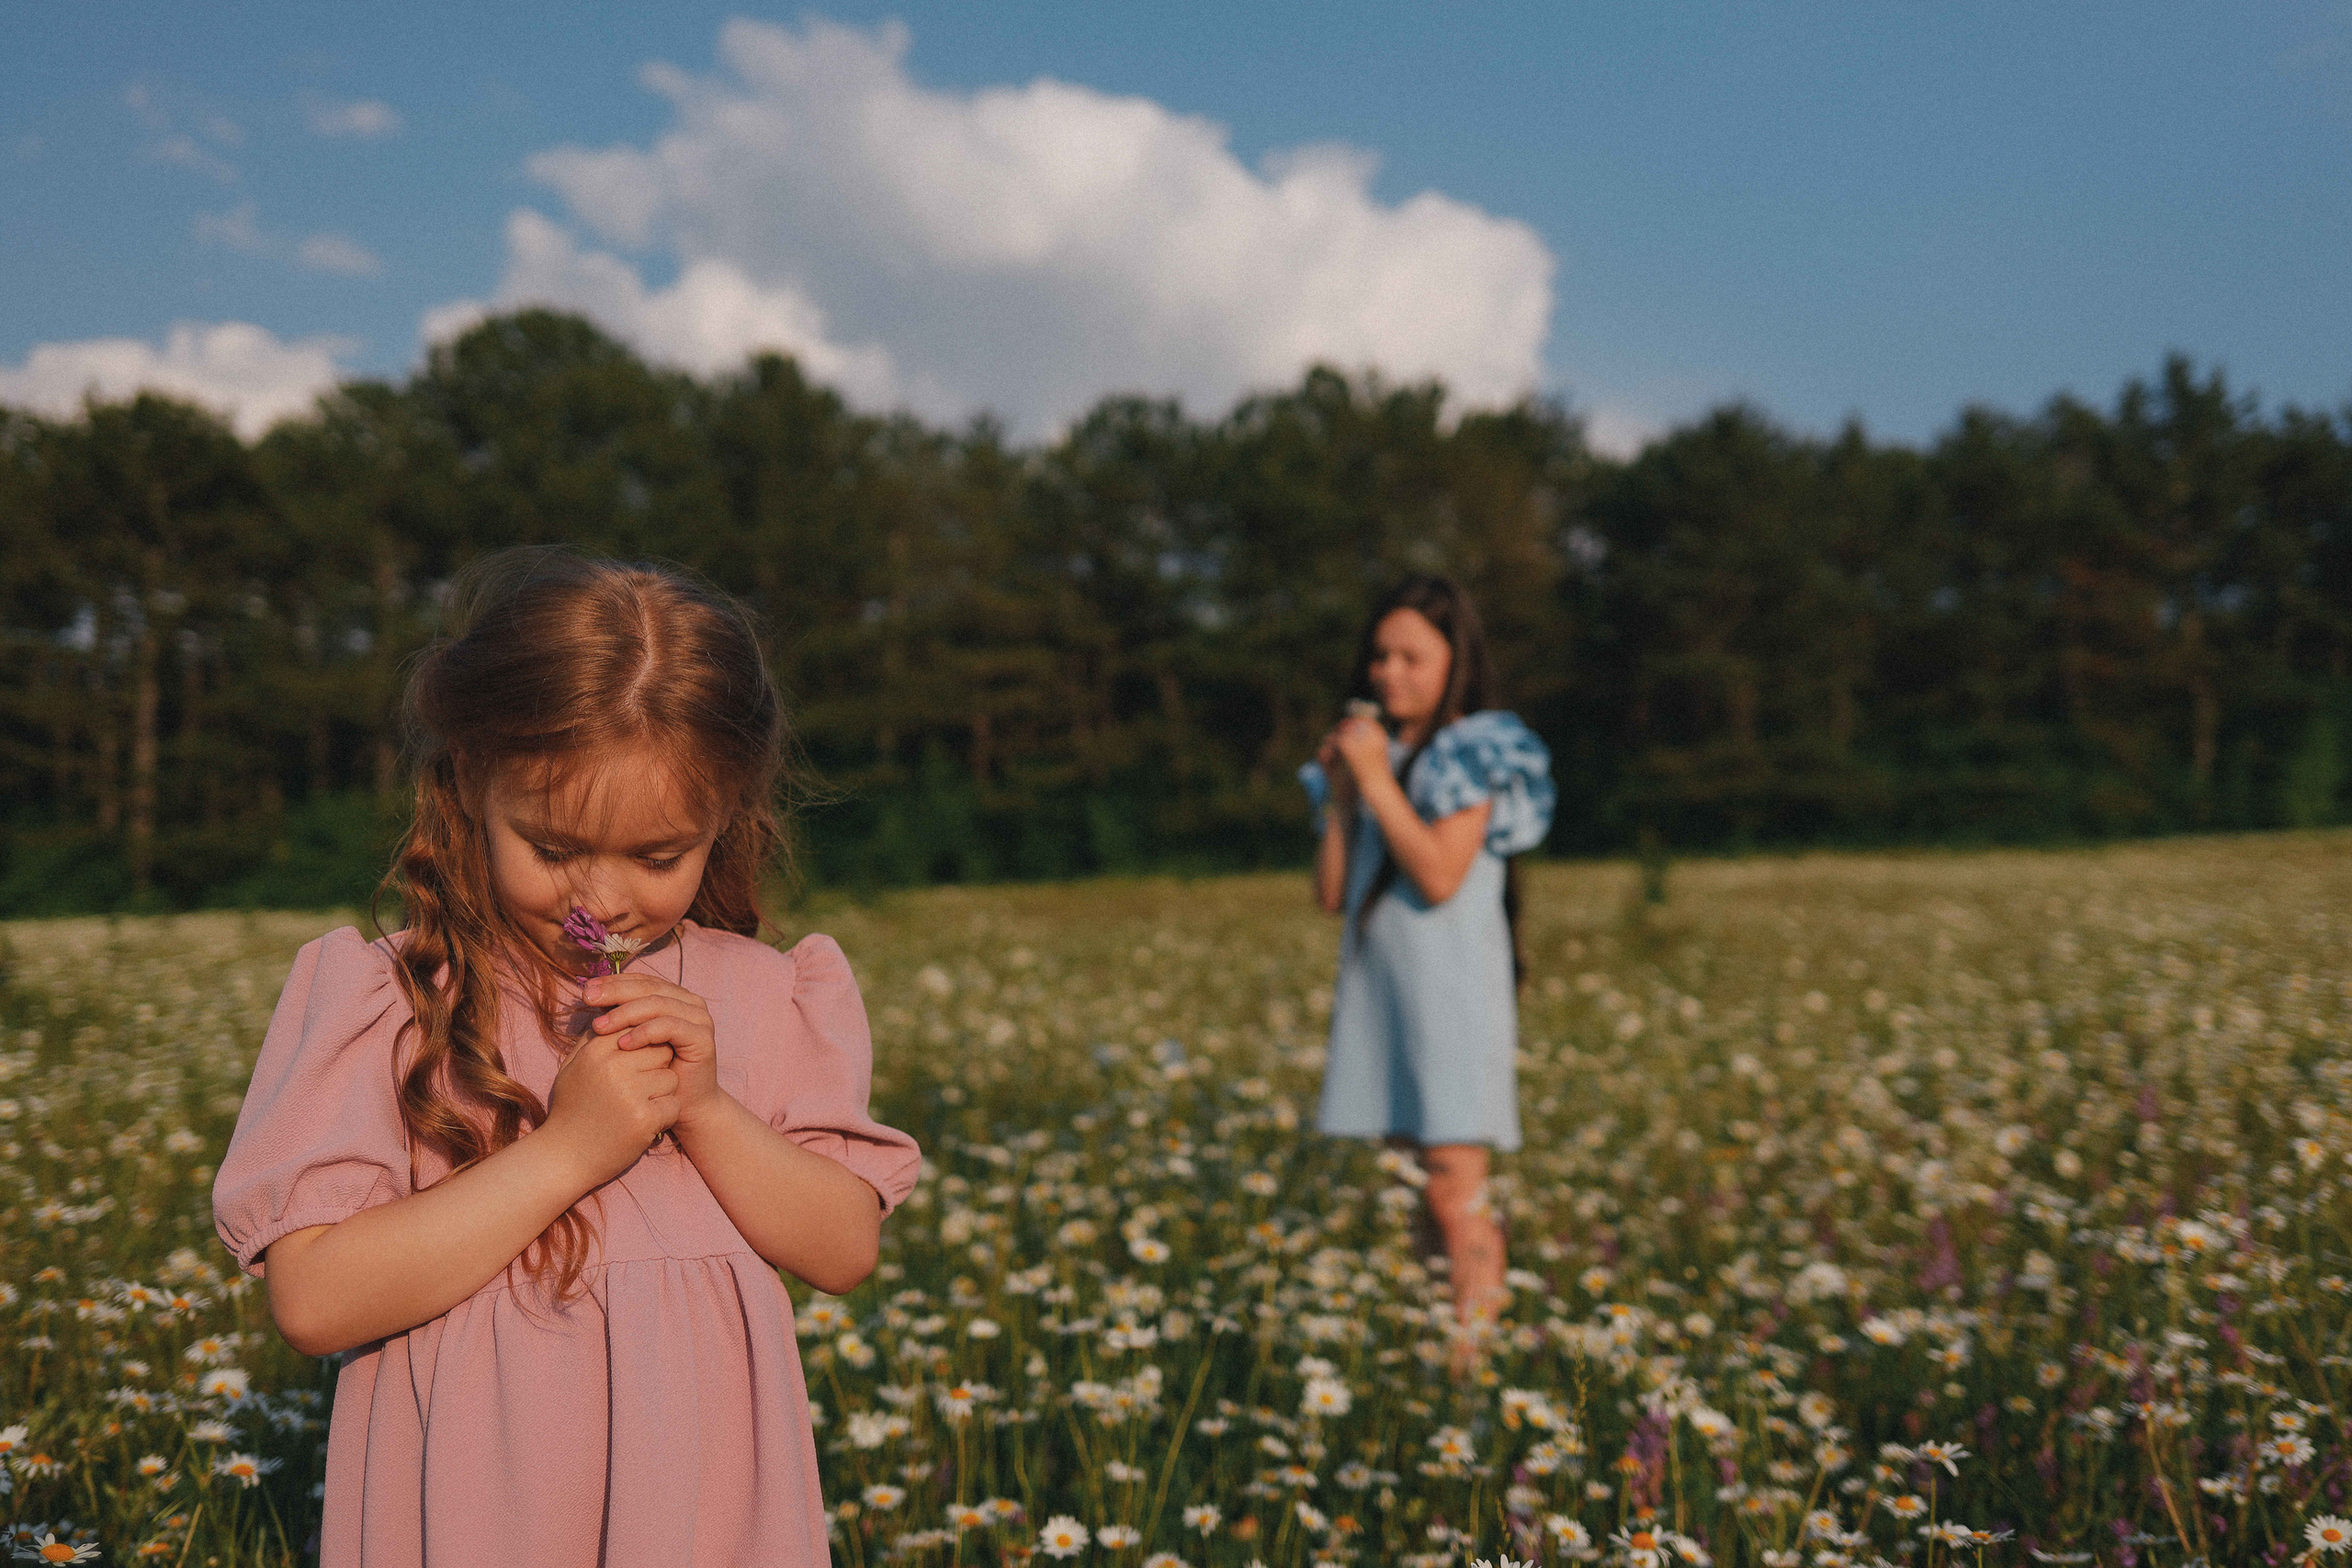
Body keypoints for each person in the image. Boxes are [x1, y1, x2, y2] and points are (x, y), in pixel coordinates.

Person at [212, 550, 919, 1565]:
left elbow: (843, 1248)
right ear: (468, 787)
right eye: (552, 849)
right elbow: (315, 1303)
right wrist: (569, 1151)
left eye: (656, 855)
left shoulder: (765, 994)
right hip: (476, 1513)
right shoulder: (387, 997)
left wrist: (707, 1110)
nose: (601, 899)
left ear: (726, 819)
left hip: (701, 1512)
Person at [1300, 574, 1554, 1342]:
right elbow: (1333, 893)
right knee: (1416, 1187)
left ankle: (1475, 1358)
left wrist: (1377, 780)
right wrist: (1345, 797)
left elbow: (1440, 875)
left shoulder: (1477, 748)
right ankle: (1443, 1337)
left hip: (1455, 996)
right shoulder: (1375, 758)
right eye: (1380, 656)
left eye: (1413, 656)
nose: (1389, 673)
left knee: (1454, 1186)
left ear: (1456, 661)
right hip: (1387, 994)